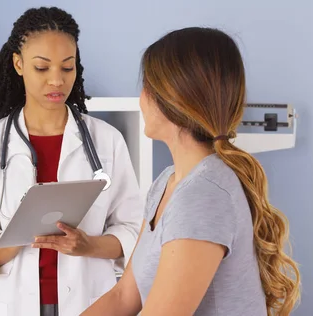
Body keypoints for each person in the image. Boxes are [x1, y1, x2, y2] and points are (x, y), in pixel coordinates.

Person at [82, 27, 301, 316]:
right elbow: (124, 296)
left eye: (146, 87)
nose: (141, 98)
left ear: (172, 99)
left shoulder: (205, 193)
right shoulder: (167, 183)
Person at [0, 7, 143, 316]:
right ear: (18, 64)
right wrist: (25, 231)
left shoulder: (107, 141)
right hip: (14, 303)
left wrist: (88, 246)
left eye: (67, 67)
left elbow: (131, 228)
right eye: (42, 68)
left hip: (90, 301)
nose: (57, 81)